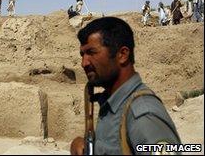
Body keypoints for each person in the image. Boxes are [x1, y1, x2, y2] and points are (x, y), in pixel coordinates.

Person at [70, 17, 182, 155]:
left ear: (122, 55)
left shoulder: (143, 115)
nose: (84, 63)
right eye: (82, 55)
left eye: (92, 53)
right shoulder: (114, 105)